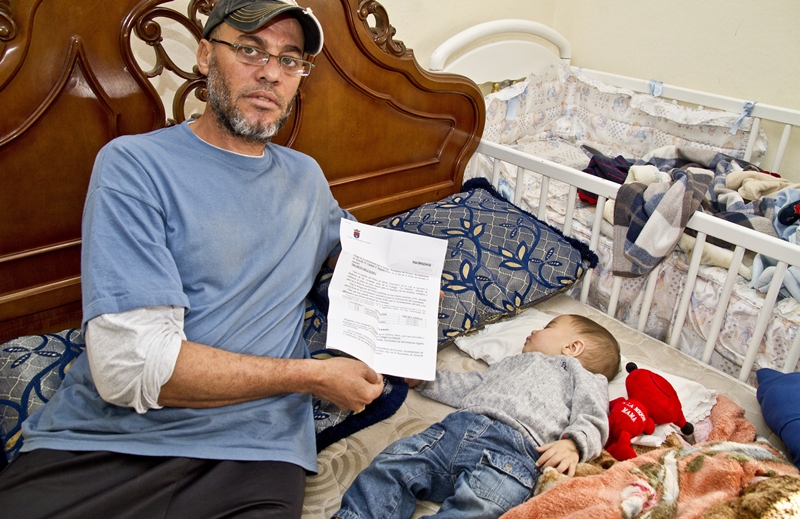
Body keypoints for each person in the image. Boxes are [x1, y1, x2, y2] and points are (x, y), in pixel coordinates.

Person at [0, 1, 385, 518]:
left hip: (255, 452)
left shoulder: (307, 177)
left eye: (290, 60)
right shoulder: (136, 165)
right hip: (107, 442)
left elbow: (356, 248)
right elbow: (128, 368)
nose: (271, 73)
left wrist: (405, 281)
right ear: (205, 55)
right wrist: (312, 376)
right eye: (250, 50)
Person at [332, 314, 620, 519]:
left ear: (573, 347)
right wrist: (426, 381)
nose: (533, 332)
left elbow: (594, 417)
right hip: (453, 432)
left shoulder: (582, 376)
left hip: (514, 454)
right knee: (393, 464)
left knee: (481, 506)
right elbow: (468, 386)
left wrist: (573, 444)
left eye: (548, 326)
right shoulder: (510, 362)